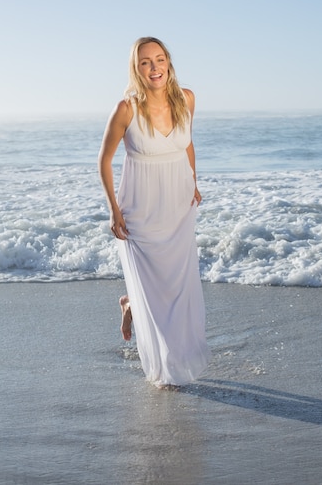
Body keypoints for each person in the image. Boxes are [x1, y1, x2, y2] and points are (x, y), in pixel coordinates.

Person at [98, 37, 210, 388]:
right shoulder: (126, 109)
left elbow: (187, 141)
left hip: (178, 201)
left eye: (159, 59)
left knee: (175, 279)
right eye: (146, 62)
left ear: (168, 63)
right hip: (140, 205)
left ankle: (132, 304)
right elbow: (104, 160)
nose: (155, 67)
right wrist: (114, 209)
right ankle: (161, 357)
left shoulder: (187, 99)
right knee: (152, 273)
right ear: (137, 68)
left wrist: (193, 181)